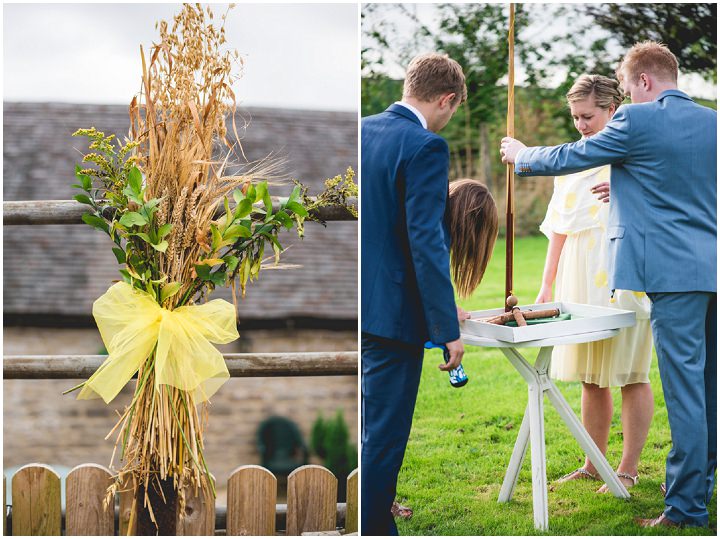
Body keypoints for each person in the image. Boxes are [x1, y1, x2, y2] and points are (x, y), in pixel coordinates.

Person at [500, 41, 716, 528]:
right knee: (708, 388)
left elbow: (576, 154)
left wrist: (522, 154)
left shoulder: (636, 120)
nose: (628, 97)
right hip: (713, 270)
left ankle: (685, 509)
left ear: (643, 80)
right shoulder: (712, 122)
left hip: (673, 276)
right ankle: (697, 486)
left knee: (684, 392)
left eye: (627, 86)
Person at [361, 52, 469, 536]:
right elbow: (426, 242)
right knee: (382, 439)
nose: (449, 118)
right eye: (452, 109)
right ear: (446, 99)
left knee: (364, 428)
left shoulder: (360, 129)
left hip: (356, 304)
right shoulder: (427, 147)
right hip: (392, 319)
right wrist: (445, 328)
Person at [536, 74, 654, 493]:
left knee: (631, 372)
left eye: (587, 116)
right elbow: (558, 229)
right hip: (577, 272)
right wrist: (547, 285)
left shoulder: (636, 152)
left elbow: (659, 209)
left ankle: (627, 467)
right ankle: (592, 462)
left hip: (623, 271)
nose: (581, 125)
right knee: (591, 375)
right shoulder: (570, 160)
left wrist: (628, 191)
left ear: (612, 110)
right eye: (575, 118)